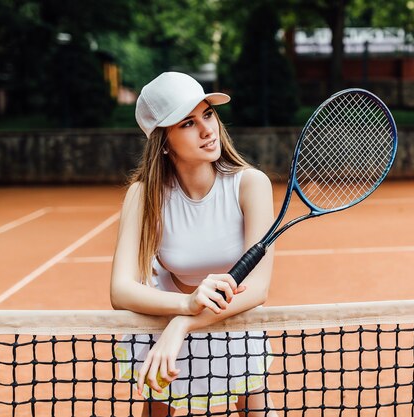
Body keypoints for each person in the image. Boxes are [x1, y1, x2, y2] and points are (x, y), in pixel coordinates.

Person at [110, 72, 277, 416]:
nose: (207, 129)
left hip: (231, 320)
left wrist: (184, 323)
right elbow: (120, 290)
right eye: (188, 122)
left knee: (257, 409)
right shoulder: (143, 196)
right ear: (164, 141)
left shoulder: (251, 185)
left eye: (208, 114)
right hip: (166, 318)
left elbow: (257, 289)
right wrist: (185, 305)